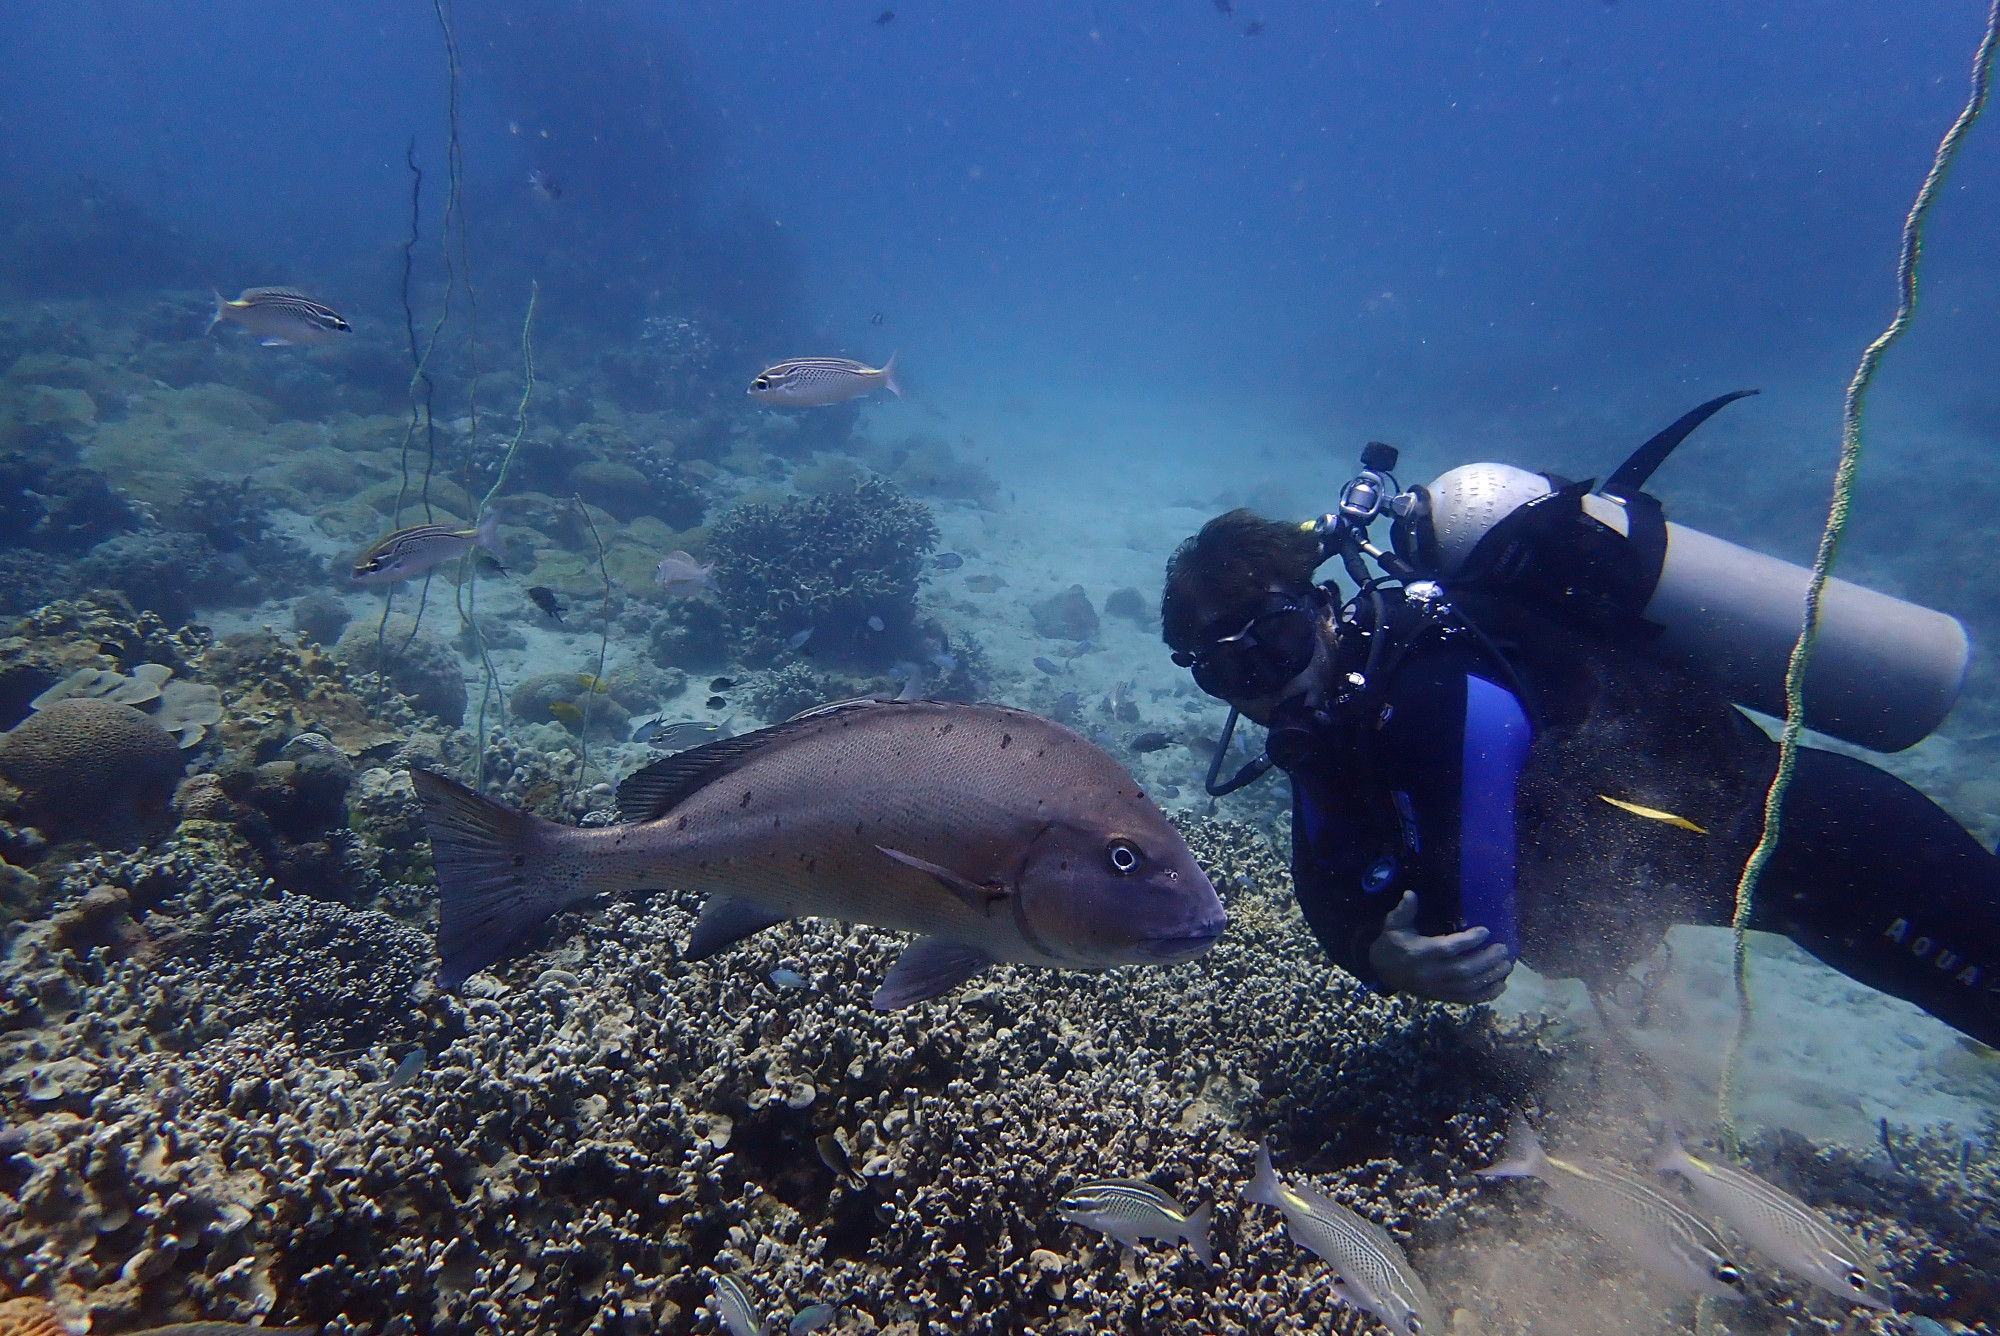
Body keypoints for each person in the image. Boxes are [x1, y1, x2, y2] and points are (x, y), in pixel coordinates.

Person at [1159, 432, 2000, 1050]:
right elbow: (1329, 883)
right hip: (1772, 896)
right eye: (1232, 676)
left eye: (1276, 645)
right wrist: (1374, 952)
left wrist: (1389, 949)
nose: (1276, 688)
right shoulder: (1341, 717)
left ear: (1325, 611)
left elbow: (1482, 941)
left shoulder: (1434, 685)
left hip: (1843, 851)